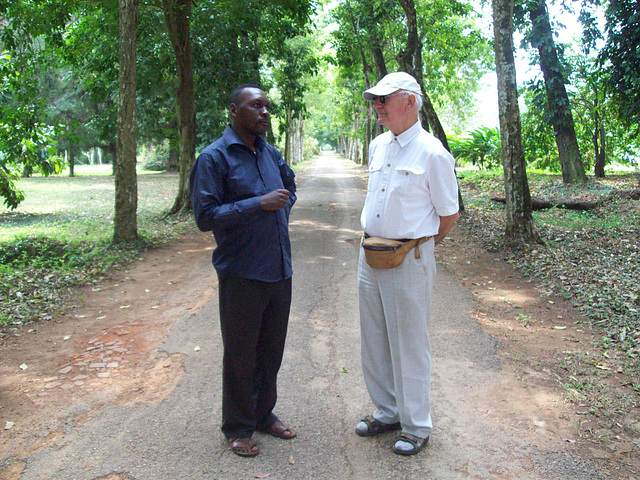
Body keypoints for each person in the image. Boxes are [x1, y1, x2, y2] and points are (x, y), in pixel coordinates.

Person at [190, 84, 297, 458]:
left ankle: (263, 414)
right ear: (234, 110)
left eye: (267, 106)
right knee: (241, 353)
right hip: (242, 272)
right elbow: (205, 217)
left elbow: (290, 184)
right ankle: (237, 426)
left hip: (279, 269)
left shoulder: (269, 152)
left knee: (271, 350)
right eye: (256, 106)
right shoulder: (214, 158)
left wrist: (282, 206)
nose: (265, 112)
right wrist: (259, 205)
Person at [355, 72, 459, 455]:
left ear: (410, 102)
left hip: (408, 256)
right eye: (376, 99)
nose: (377, 106)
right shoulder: (377, 146)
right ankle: (388, 411)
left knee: (410, 342)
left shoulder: (433, 153)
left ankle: (416, 425)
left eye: (385, 99)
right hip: (369, 255)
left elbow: (448, 215)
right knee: (375, 338)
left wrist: (417, 247)